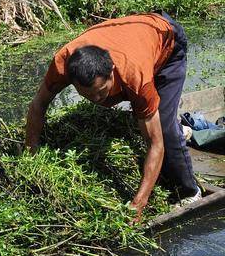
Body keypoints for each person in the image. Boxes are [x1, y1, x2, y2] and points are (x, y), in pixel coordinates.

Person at [24, 12, 201, 220]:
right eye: (88, 94)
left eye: (101, 91)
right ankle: (181, 129)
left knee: (162, 126)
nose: (97, 99)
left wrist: (138, 203)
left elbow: (155, 143)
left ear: (112, 72)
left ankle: (190, 191)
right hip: (132, 38)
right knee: (140, 115)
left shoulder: (136, 77)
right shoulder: (63, 63)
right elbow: (38, 104)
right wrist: (31, 156)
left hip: (166, 39)